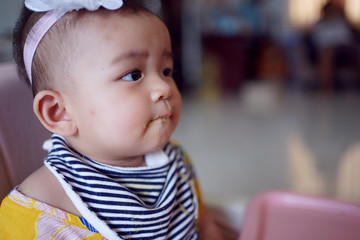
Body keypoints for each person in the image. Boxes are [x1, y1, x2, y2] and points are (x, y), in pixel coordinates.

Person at [0, 0, 223, 239]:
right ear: (59, 112)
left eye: (166, 71)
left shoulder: (175, 162)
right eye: (133, 75)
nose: (164, 88)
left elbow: (205, 227)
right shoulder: (40, 214)